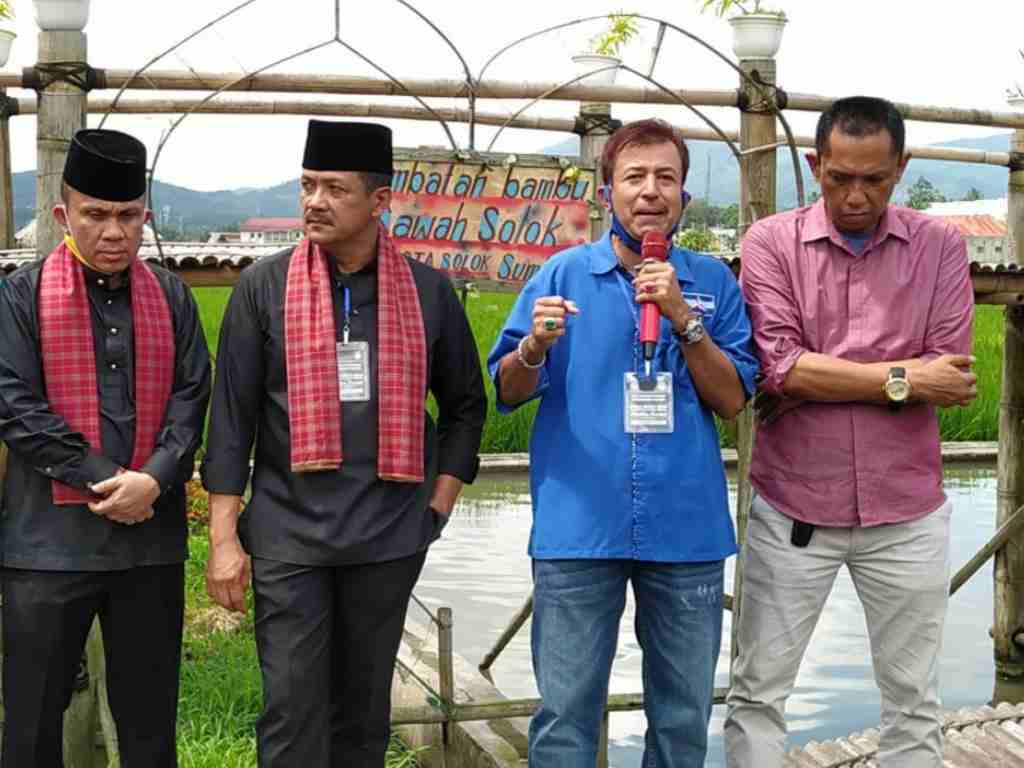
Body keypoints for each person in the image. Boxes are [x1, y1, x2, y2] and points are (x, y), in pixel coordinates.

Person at [201, 120, 487, 768]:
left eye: (334, 188)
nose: (314, 202)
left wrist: (437, 505)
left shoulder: (428, 292)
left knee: (362, 721)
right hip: (287, 536)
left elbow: (467, 405)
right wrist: (223, 541)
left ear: (380, 201)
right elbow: (230, 421)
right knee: (291, 715)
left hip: (387, 536)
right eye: (307, 185)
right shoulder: (263, 288)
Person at [487, 118, 759, 767]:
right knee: (564, 714)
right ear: (607, 192)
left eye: (666, 177)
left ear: (684, 197)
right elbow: (508, 388)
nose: (650, 191)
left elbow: (733, 400)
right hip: (579, 527)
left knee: (683, 714)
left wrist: (683, 318)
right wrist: (534, 345)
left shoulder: (712, 283)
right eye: (634, 176)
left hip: (685, 529)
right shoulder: (561, 276)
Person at [724, 96, 977, 768]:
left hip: (907, 512)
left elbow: (951, 372)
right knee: (758, 691)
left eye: (874, 179)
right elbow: (779, 368)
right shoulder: (770, 242)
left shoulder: (941, 245)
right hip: (794, 508)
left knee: (913, 698)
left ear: (902, 168)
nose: (856, 195)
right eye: (839, 178)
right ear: (815, 165)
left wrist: (825, 374)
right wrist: (906, 380)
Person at [0, 128, 212, 767]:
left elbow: (192, 397)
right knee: (30, 732)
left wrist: (154, 478)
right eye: (96, 215)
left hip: (149, 551)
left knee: (150, 730)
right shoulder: (19, 296)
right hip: (44, 552)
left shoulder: (172, 295)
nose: (114, 231)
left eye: (127, 216)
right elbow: (16, 406)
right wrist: (108, 479)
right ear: (64, 215)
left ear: (145, 215)